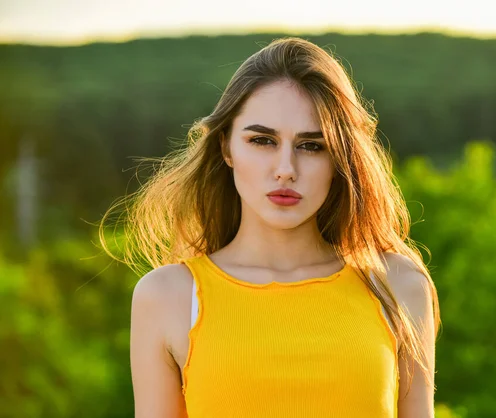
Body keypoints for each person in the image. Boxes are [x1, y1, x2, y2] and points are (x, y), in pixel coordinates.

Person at [100, 36, 440, 418]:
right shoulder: (167, 297)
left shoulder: (397, 286)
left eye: (312, 146)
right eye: (262, 140)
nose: (285, 169)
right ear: (227, 147)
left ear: (340, 158)